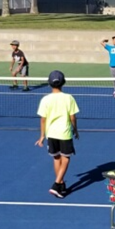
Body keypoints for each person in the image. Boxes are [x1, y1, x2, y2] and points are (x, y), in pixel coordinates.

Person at [36, 70, 80, 199]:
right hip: (65, 133)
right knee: (65, 158)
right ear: (63, 83)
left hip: (51, 134)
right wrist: (75, 129)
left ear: (49, 84)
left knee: (56, 158)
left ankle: (61, 185)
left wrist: (42, 136)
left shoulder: (45, 99)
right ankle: (56, 184)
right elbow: (73, 117)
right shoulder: (69, 98)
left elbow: (43, 119)